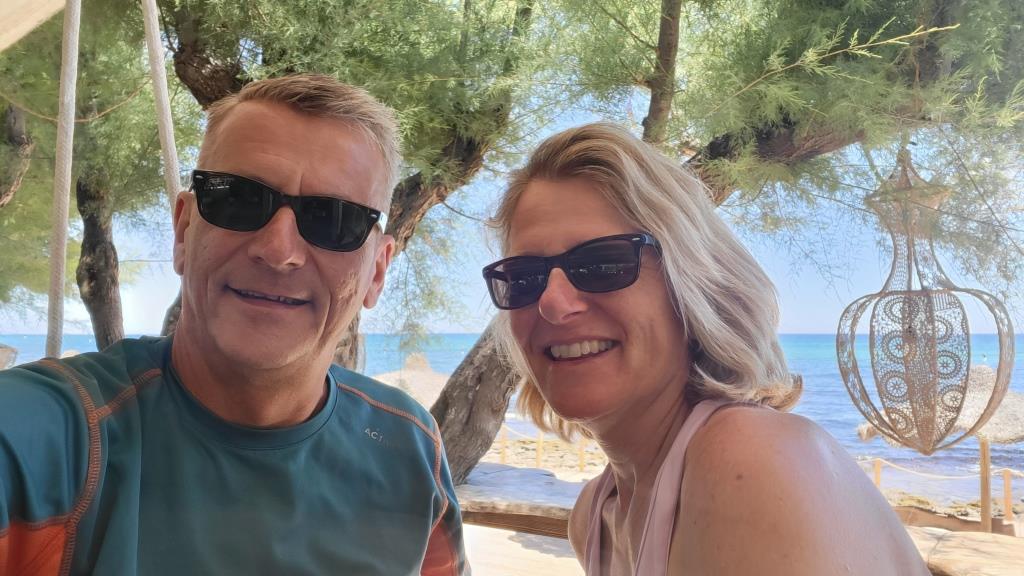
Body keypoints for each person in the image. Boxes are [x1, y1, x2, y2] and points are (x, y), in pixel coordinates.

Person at [0, 74, 467, 575]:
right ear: (183, 230)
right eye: (239, 200)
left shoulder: (410, 450)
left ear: (377, 272)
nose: (278, 250)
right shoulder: (48, 440)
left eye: (334, 219)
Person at [481, 123, 928, 575]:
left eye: (603, 263)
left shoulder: (750, 459)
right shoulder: (594, 518)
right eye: (523, 277)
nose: (553, 303)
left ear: (692, 282)